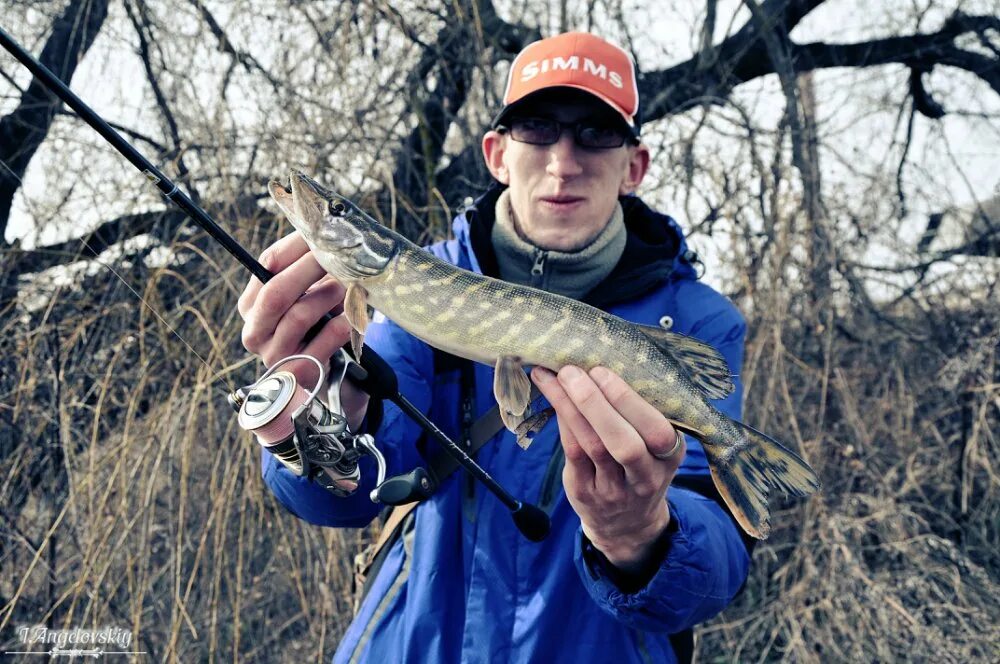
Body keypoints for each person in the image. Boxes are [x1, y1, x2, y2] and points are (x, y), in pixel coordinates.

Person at [238, 31, 751, 664]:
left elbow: (717, 567)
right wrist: (314, 419)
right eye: (537, 129)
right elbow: (353, 490)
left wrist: (639, 535)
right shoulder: (417, 285)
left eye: (594, 133)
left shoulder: (700, 321)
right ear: (497, 154)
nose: (563, 163)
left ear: (634, 166)